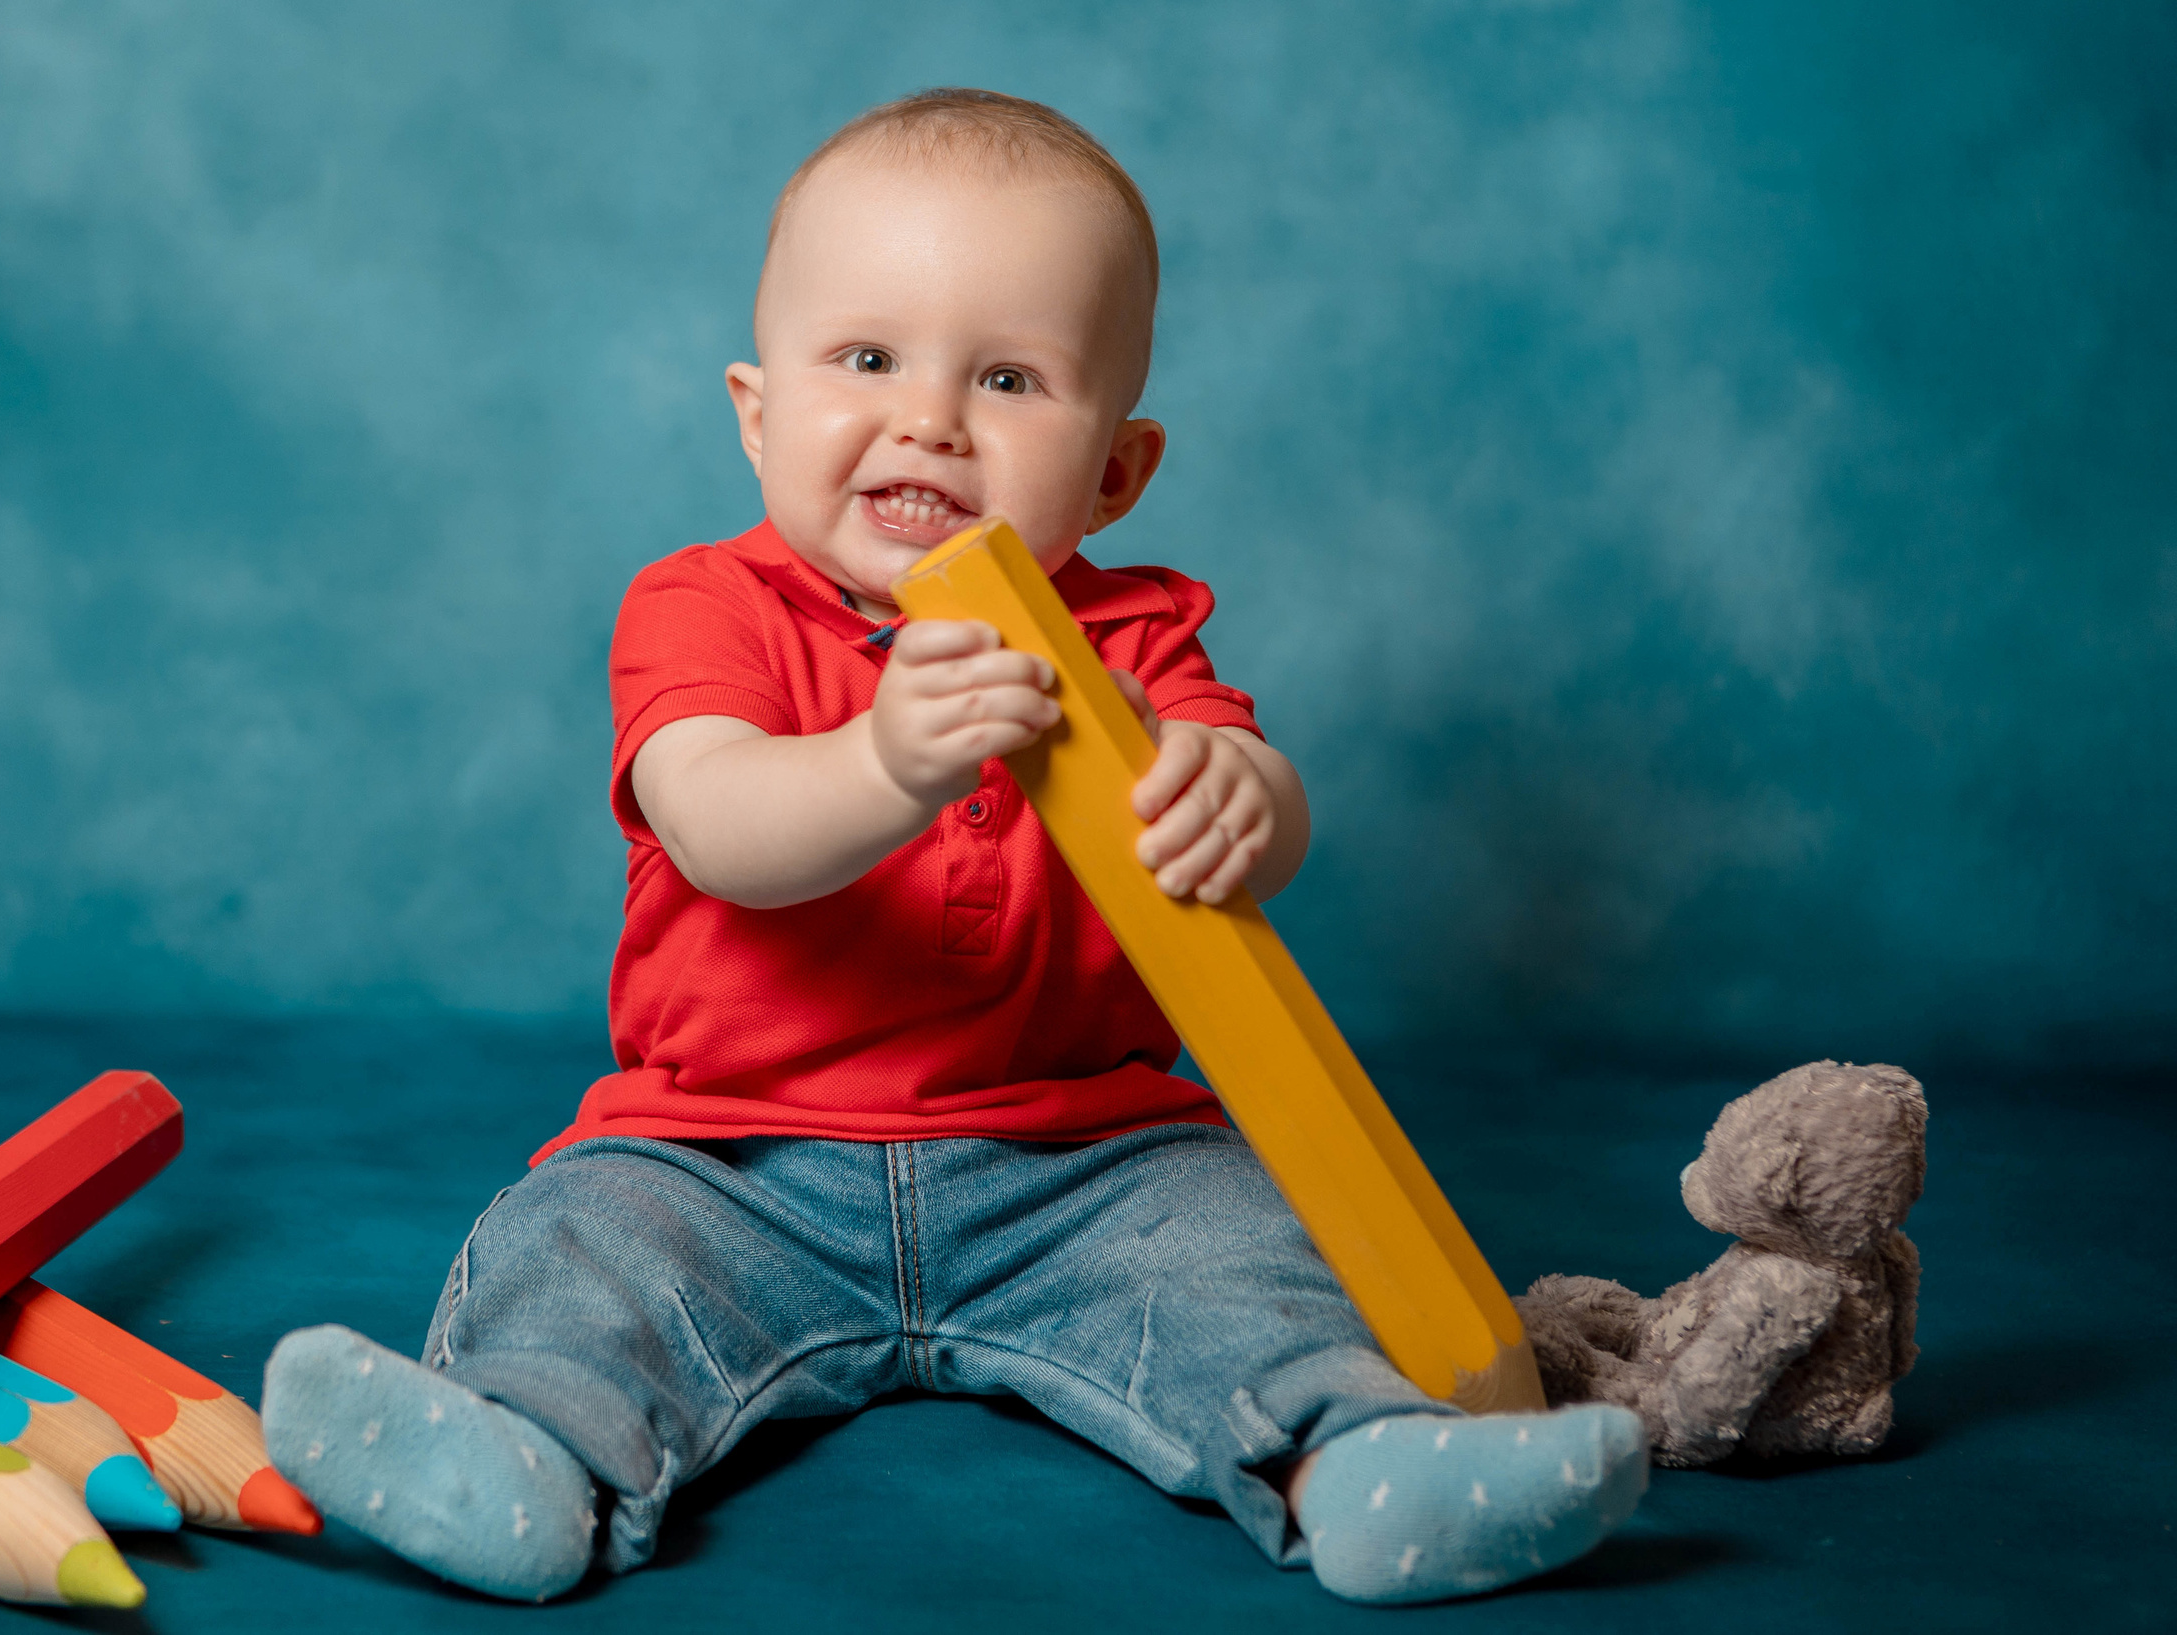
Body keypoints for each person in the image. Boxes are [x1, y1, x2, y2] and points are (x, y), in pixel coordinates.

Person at [261, 87, 1646, 1607]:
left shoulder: (1134, 632)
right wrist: (881, 761)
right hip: (733, 1151)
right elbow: (721, 827)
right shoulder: (703, 608)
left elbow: (1245, 786)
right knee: (586, 1253)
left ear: (1116, 471)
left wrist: (1246, 794)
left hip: (1081, 1158)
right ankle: (525, 1456)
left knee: (1242, 1258)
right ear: (757, 410)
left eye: (1007, 377)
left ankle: (1364, 1465)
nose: (929, 417)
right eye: (865, 359)